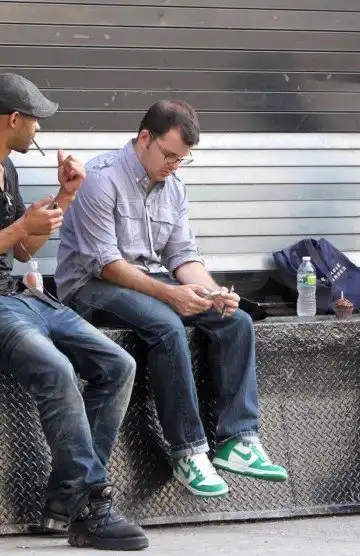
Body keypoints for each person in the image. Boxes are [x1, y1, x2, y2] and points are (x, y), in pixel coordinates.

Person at [55, 100, 288, 498]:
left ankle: (238, 441)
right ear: (144, 138)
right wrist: (170, 295)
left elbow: (182, 256)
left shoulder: (174, 187)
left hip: (148, 282)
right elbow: (106, 264)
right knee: (166, 324)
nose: (174, 166)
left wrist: (214, 294)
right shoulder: (101, 178)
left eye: (182, 160)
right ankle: (189, 452)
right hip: (89, 286)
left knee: (235, 321)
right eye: (169, 155)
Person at [0, 73, 148, 550]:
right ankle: (91, 505)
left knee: (118, 364)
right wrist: (20, 225)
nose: (39, 129)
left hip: (20, 297)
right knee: (57, 370)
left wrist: (65, 197)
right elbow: (16, 235)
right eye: (35, 119)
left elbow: (22, 252)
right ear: (14, 119)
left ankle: (66, 500)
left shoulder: (6, 169)